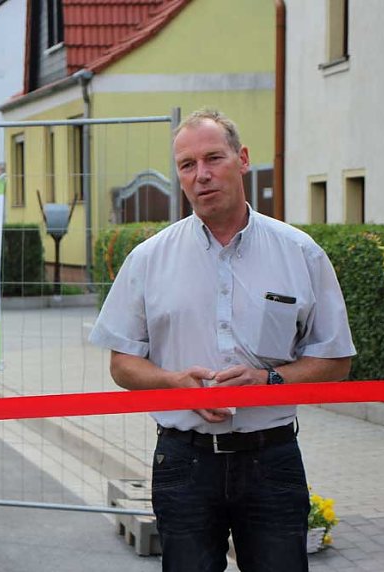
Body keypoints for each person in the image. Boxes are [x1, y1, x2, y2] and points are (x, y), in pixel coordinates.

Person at [89, 109, 355, 571]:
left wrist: (268, 379)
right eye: (187, 165)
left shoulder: (300, 254)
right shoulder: (149, 259)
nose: (202, 175)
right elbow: (122, 364)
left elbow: (335, 362)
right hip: (184, 462)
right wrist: (176, 383)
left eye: (214, 158)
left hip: (271, 458)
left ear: (243, 159)